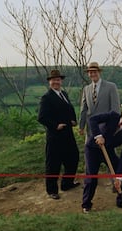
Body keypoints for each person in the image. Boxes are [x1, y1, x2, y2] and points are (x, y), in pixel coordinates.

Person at [82, 103, 122, 213]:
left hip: (107, 151)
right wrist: (98, 136)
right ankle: (86, 204)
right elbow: (92, 120)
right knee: (92, 176)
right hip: (93, 149)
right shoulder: (113, 116)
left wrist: (118, 177)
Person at [37, 69, 80, 200]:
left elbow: (69, 110)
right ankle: (52, 190)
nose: (56, 82)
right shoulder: (46, 98)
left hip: (68, 134)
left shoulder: (64, 94)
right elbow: (42, 117)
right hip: (55, 136)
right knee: (53, 163)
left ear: (61, 81)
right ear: (50, 82)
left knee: (73, 158)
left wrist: (73, 120)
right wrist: (56, 125)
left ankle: (67, 184)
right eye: (53, 80)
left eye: (58, 79)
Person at [79, 62, 120, 138]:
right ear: (88, 74)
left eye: (95, 72)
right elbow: (83, 109)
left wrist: (114, 125)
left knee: (107, 149)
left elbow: (115, 109)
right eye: (90, 72)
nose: (93, 74)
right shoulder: (86, 89)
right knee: (90, 149)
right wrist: (81, 126)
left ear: (99, 72)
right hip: (91, 129)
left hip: (106, 127)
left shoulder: (111, 87)